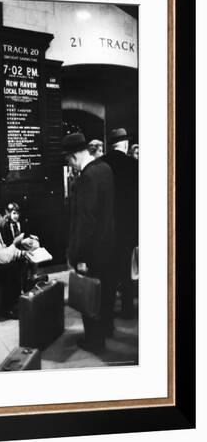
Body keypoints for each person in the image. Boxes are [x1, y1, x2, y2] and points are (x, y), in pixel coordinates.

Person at [63, 132, 115, 353]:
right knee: (103, 295)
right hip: (107, 245)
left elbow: (85, 222)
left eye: (68, 161)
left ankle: (94, 341)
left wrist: (79, 256)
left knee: (89, 296)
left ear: (74, 156)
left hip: (91, 250)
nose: (70, 166)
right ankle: (105, 330)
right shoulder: (105, 169)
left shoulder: (87, 177)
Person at [102, 128, 139, 318]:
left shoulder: (101, 164)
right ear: (125, 145)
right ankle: (127, 309)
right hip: (128, 228)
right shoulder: (134, 165)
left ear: (110, 145)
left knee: (108, 273)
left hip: (106, 229)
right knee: (126, 271)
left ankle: (107, 314)